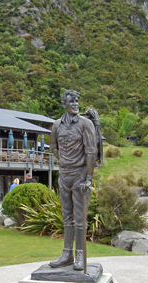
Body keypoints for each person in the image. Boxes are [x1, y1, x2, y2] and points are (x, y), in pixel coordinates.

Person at [49, 89, 97, 271]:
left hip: (80, 176)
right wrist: (64, 162)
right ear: (64, 104)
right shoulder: (57, 125)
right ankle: (67, 253)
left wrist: (89, 178)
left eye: (78, 101)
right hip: (64, 175)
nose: (76, 104)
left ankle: (80, 255)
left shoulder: (86, 124)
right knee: (66, 216)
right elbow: (54, 147)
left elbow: (91, 151)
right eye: (72, 101)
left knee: (79, 218)